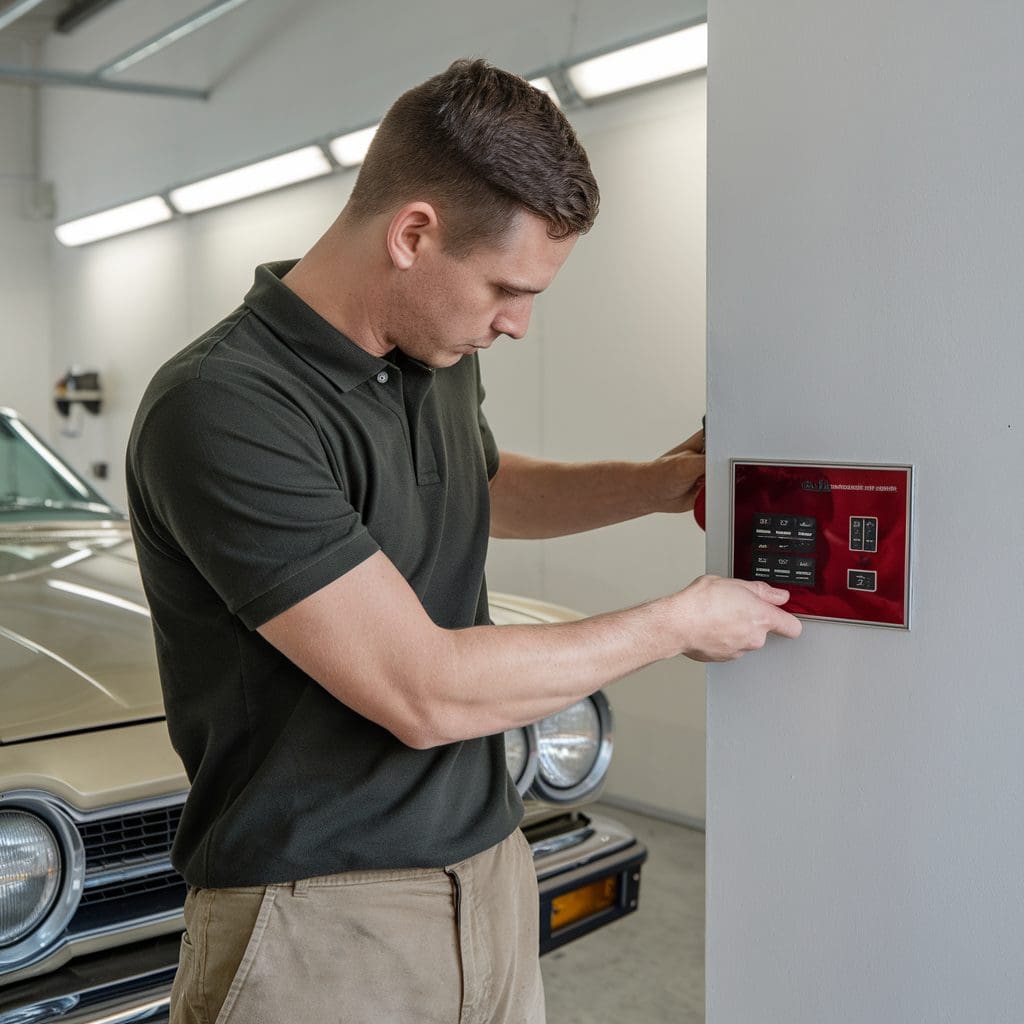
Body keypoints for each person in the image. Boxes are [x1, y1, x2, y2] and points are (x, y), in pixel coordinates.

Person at [127, 58, 801, 1024]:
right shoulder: (223, 407)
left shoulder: (432, 353)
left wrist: (657, 484)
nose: (519, 324)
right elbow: (424, 690)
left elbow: (483, 486)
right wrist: (674, 623)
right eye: (505, 287)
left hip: (488, 866)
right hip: (320, 918)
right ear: (413, 234)